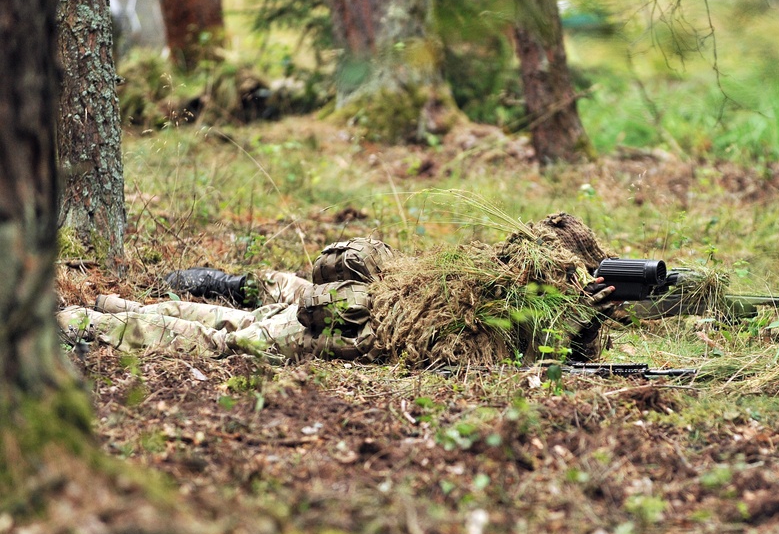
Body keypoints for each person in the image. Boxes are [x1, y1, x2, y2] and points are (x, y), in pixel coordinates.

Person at [57, 213, 617, 368]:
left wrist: (587, 320)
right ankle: (83, 320)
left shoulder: (489, 276)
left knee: (229, 324)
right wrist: (583, 321)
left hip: (348, 312)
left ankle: (102, 308)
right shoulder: (509, 298)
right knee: (225, 339)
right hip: (349, 326)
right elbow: (534, 352)